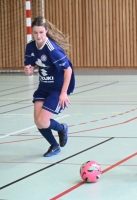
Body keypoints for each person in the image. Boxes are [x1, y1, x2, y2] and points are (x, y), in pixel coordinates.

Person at [24, 16, 75, 157]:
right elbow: (31, 66)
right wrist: (28, 70)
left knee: (43, 120)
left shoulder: (52, 49)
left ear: (46, 30)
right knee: (38, 122)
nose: (38, 36)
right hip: (43, 87)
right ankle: (54, 145)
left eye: (41, 32)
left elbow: (68, 70)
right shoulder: (30, 46)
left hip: (56, 89)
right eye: (35, 32)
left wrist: (63, 93)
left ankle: (61, 128)